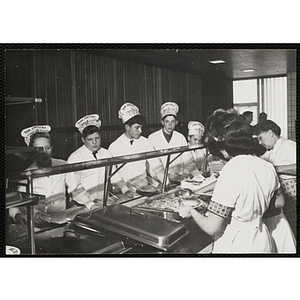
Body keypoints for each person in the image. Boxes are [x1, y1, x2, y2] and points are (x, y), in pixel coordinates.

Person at [176, 113, 282, 253]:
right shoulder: (267, 166)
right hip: (261, 239)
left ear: (223, 145)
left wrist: (191, 210)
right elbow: (280, 201)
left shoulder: (230, 170)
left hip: (236, 244)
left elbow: (211, 227)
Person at [67, 114, 133, 209]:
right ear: (83, 140)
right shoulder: (75, 158)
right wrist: (90, 204)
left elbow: (114, 177)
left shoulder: (106, 153)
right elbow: (75, 188)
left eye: (97, 138)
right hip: (83, 205)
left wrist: (125, 189)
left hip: (104, 201)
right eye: (90, 139)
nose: (94, 142)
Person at [9, 125, 68, 226]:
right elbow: (21, 203)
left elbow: (76, 189)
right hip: (38, 225)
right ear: (32, 151)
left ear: (52, 147)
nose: (44, 153)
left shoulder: (63, 165)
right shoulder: (27, 174)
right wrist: (33, 214)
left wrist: (91, 205)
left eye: (47, 148)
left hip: (61, 221)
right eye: (39, 149)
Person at [253, 120, 297, 237]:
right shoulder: (273, 150)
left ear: (270, 133)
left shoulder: (288, 145)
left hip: (293, 193)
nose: (260, 142)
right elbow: (260, 162)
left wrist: (276, 169)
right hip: (284, 195)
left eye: (261, 138)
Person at [108, 103, 166, 191]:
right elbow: (113, 174)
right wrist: (124, 189)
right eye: (137, 128)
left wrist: (165, 182)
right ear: (127, 127)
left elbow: (156, 164)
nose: (140, 131)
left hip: (144, 188)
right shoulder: (114, 146)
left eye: (141, 127)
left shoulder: (146, 142)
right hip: (124, 190)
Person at [148, 102, 188, 181]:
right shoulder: (152, 138)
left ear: (176, 123)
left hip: (179, 179)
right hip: (160, 180)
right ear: (162, 122)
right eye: (167, 122)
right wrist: (161, 179)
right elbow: (151, 164)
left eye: (172, 122)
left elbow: (187, 160)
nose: (170, 125)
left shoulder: (181, 137)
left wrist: (187, 175)